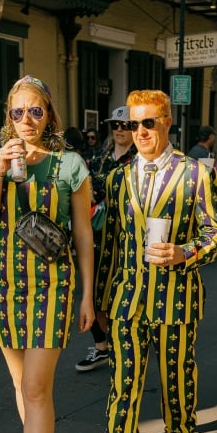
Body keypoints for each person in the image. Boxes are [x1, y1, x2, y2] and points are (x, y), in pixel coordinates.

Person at [91, 89, 217, 433]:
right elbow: (109, 244)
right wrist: (97, 301)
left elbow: (216, 234)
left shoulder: (196, 174)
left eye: (148, 122)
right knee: (123, 385)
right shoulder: (116, 179)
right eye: (133, 124)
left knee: (175, 376)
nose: (140, 131)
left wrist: (185, 252)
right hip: (125, 301)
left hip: (176, 298)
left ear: (167, 122)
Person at [0, 75, 95, 433]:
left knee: (36, 388)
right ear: (8, 118)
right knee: (22, 385)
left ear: (49, 116)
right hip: (3, 287)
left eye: (36, 111)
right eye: (17, 112)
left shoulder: (70, 166)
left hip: (52, 287)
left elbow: (83, 234)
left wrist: (87, 295)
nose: (27, 120)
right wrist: (1, 169)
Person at [75, 104, 136, 372]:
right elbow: (88, 190)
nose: (120, 130)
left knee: (126, 296)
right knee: (95, 294)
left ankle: (129, 345)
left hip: (127, 238)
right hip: (97, 236)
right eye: (116, 125)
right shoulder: (99, 156)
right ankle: (102, 347)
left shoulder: (140, 159)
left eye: (127, 125)